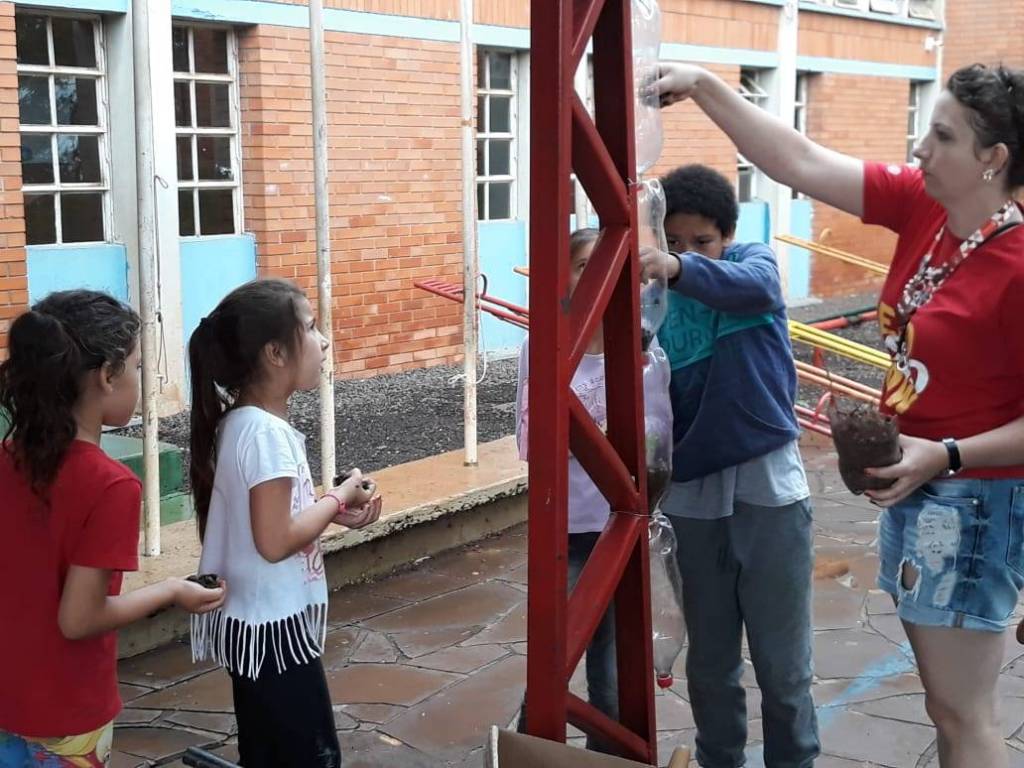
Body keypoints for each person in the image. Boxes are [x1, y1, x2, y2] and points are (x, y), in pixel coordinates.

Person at [656, 62, 1024, 768]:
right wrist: (703, 86)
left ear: (994, 158)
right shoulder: (927, 209)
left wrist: (946, 454)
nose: (920, 149)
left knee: (966, 713)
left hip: (974, 501)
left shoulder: (1015, 263)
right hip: (922, 490)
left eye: (943, 136)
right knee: (947, 708)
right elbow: (798, 159)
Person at [0, 290, 226, 767]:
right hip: (65, 713)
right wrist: (171, 590)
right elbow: (79, 619)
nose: (142, 379)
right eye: (138, 366)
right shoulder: (111, 485)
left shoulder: (7, 460)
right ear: (107, 375)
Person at [643, 164, 818, 768]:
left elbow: (756, 287)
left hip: (770, 493)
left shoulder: (754, 265)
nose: (686, 253)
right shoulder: (653, 304)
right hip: (692, 498)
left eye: (703, 241)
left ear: (729, 237)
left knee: (783, 667)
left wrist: (677, 265)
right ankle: (720, 759)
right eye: (672, 241)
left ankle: (794, 760)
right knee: (711, 662)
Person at [188, 278, 381, 767]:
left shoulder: (241, 422)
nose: (324, 341)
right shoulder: (265, 434)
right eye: (311, 328)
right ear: (275, 353)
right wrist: (339, 496)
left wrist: (335, 513)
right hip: (272, 630)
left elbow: (274, 518)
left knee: (268, 753)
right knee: (309, 757)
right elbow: (274, 541)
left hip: (257, 626)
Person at [515, 228, 673, 755]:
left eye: (605, 265)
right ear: (564, 279)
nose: (597, 276)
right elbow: (532, 440)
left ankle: (608, 756)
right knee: (554, 660)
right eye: (584, 265)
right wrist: (592, 437)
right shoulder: (543, 347)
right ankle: (530, 751)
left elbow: (657, 445)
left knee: (611, 669)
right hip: (567, 530)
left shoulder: (645, 354)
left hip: (621, 529)